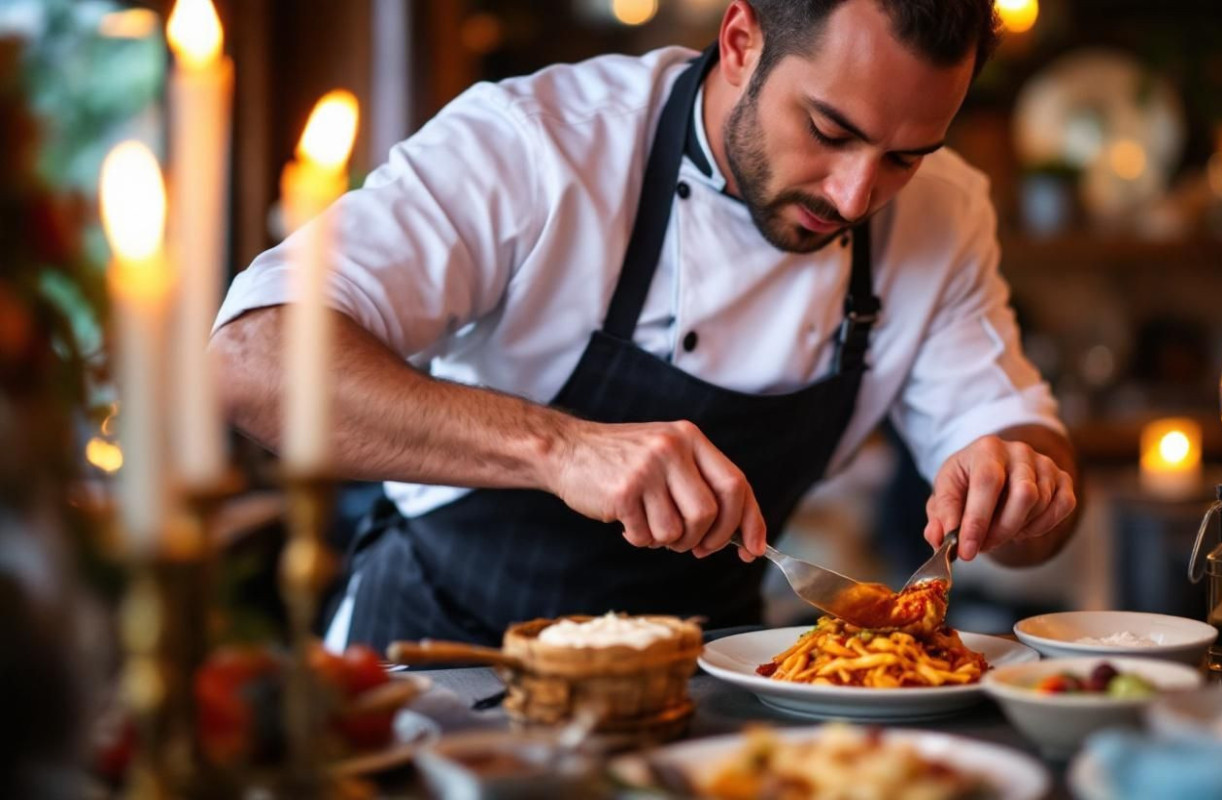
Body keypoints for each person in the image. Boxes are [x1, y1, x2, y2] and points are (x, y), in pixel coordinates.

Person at [211, 0, 1080, 649]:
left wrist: (1024, 484)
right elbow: (251, 359)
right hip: (439, 657)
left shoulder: (945, 213)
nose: (854, 196)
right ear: (741, 41)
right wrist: (560, 449)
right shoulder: (541, 143)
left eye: (903, 156)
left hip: (704, 684)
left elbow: (1024, 462)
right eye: (827, 130)